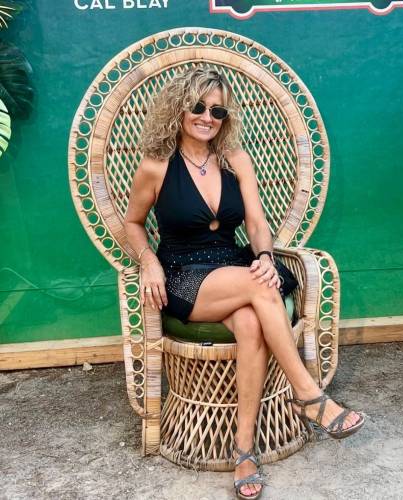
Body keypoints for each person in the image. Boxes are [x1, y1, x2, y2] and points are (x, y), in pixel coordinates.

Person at [124, 67, 364, 500]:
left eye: (217, 111)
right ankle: (309, 395)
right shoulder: (156, 165)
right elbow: (133, 223)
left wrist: (266, 256)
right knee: (261, 287)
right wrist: (148, 262)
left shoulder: (235, 160)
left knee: (252, 320)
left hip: (231, 265)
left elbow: (255, 223)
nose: (207, 117)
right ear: (179, 108)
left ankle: (244, 451)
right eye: (198, 107)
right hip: (182, 274)